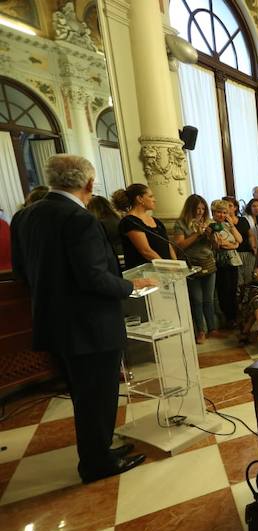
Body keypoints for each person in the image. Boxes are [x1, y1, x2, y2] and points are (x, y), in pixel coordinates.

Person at [11, 154, 151, 482]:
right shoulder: (80, 219)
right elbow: (95, 278)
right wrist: (132, 285)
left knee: (83, 396)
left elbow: (22, 271)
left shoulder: (26, 216)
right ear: (87, 183)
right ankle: (96, 463)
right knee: (98, 397)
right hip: (90, 327)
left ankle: (98, 450)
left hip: (54, 323)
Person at [173, 194, 219, 343]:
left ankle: (212, 329)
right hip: (192, 265)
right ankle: (200, 330)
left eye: (203, 209)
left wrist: (211, 235)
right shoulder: (181, 224)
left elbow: (216, 246)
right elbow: (180, 246)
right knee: (197, 300)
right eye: (197, 209)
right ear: (190, 209)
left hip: (208, 263)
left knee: (209, 299)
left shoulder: (208, 222)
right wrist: (196, 234)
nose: (200, 212)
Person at [114, 184, 177, 269]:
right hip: (145, 273)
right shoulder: (129, 222)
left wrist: (176, 264)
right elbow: (146, 251)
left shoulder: (157, 221)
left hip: (166, 271)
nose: (154, 200)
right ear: (139, 199)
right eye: (150, 196)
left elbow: (168, 245)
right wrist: (167, 267)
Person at [210, 199, 243, 327]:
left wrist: (232, 226)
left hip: (233, 262)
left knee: (233, 290)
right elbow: (220, 245)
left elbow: (239, 239)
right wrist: (234, 245)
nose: (222, 215)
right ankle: (228, 318)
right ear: (213, 212)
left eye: (224, 212)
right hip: (221, 262)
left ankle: (234, 317)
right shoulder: (212, 226)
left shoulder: (227, 225)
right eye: (219, 212)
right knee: (224, 291)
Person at [230, 197, 256, 286]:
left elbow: (250, 235)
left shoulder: (243, 220)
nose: (228, 208)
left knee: (249, 277)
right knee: (238, 281)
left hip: (247, 252)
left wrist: (253, 246)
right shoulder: (223, 222)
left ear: (235, 207)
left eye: (230, 206)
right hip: (234, 253)